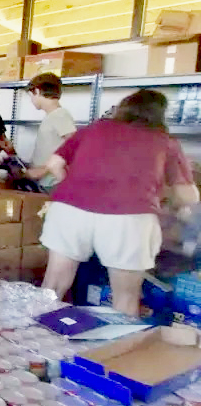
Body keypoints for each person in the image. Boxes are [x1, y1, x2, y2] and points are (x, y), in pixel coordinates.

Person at [40, 89, 199, 316]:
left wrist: (72, 186)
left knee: (53, 286)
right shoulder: (165, 142)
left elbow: (54, 164)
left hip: (69, 211)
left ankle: (37, 339)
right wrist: (167, 201)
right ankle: (117, 349)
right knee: (125, 298)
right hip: (129, 219)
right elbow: (189, 196)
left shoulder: (94, 128)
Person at [23, 73, 76, 191]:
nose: (31, 100)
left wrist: (43, 170)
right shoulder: (52, 116)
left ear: (37, 91)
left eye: (31, 95)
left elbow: (74, 144)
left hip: (53, 182)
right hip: (44, 182)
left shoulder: (60, 115)